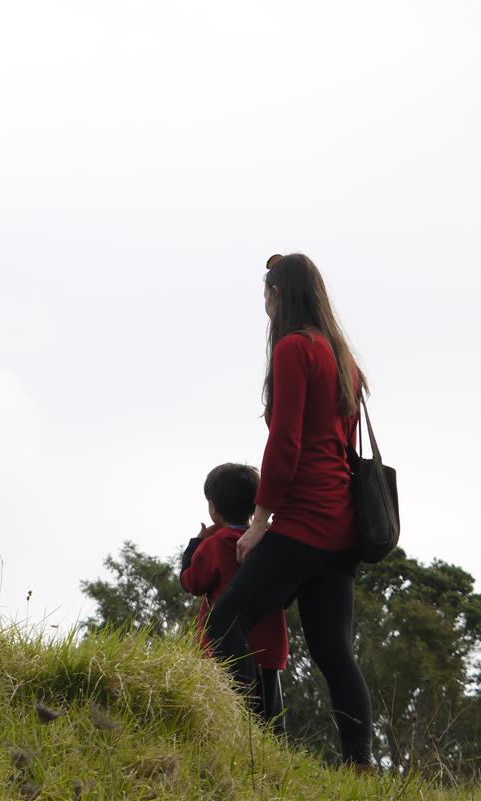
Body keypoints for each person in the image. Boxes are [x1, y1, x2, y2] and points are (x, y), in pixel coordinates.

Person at [204, 253, 374, 768]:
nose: (264, 302)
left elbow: (286, 444)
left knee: (225, 620)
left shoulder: (294, 348)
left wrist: (260, 521)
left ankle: (250, 738)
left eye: (267, 293)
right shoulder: (342, 358)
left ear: (279, 295)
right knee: (333, 651)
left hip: (304, 522)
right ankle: (359, 765)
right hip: (342, 528)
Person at [180, 462, 288, 736]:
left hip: (223, 651)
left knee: (228, 719)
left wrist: (195, 544)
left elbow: (192, 582)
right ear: (255, 505)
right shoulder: (270, 542)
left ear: (213, 507)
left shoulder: (214, 545)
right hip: (268, 646)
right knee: (270, 723)